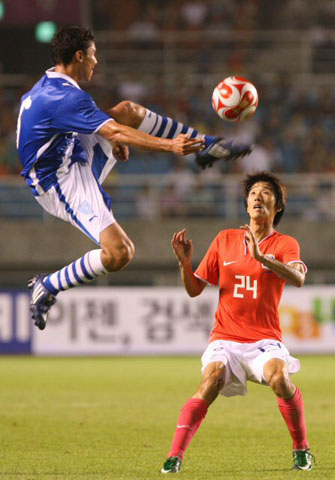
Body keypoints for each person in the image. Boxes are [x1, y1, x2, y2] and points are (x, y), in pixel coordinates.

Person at [16, 24, 251, 330]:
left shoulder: (52, 86)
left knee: (126, 110)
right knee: (120, 253)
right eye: (93, 55)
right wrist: (169, 146)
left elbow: (91, 128)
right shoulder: (63, 97)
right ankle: (47, 285)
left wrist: (110, 141)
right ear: (78, 55)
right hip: (59, 182)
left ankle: (206, 146)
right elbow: (110, 129)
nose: (96, 61)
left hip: (71, 153)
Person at [161, 171, 313, 473]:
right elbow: (194, 290)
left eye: (267, 192)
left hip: (265, 340)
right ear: (246, 204)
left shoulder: (284, 243)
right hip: (225, 338)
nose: (258, 196)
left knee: (280, 379)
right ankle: (174, 457)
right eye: (253, 192)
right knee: (211, 379)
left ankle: (302, 449)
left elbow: (298, 278)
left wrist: (263, 258)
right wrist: (184, 263)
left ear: (278, 206)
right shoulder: (224, 239)